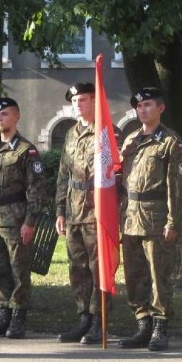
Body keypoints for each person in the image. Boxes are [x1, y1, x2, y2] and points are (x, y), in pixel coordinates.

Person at [118, 87, 182, 351]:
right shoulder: (131, 141)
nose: (142, 110)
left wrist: (173, 222)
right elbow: (122, 182)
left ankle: (160, 326)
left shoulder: (170, 142)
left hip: (156, 215)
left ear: (160, 108)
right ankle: (142, 323)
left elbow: (176, 187)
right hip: (131, 216)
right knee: (134, 275)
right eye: (139, 106)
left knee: (159, 276)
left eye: (147, 105)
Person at [0, 97, 47, 339]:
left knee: (19, 270)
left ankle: (17, 318)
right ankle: (2, 315)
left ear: (16, 117)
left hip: (16, 217)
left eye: (4, 114)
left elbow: (36, 189)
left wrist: (30, 221)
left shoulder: (27, 150)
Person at [55, 82, 120, 344]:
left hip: (97, 212)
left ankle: (99, 321)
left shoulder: (107, 132)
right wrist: (60, 210)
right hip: (74, 210)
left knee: (99, 269)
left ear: (95, 101)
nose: (77, 105)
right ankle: (83, 317)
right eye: (74, 101)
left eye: (82, 100)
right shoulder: (71, 134)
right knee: (77, 268)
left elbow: (117, 174)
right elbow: (63, 175)